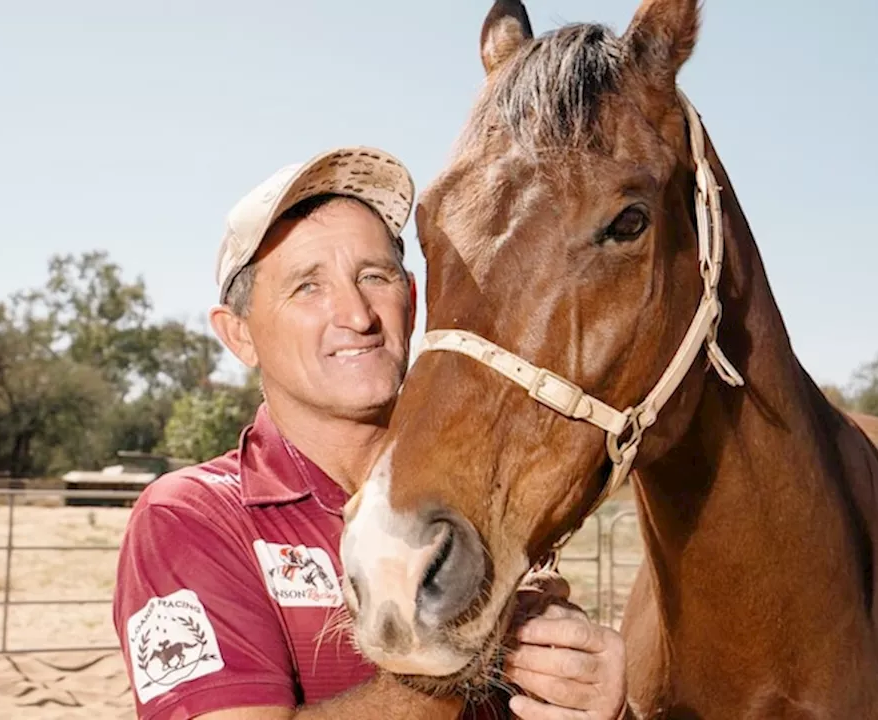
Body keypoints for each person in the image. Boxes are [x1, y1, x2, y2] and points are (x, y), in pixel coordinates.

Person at [110, 146, 629, 720]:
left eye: (374, 276)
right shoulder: (187, 519)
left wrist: (593, 700)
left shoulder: (482, 495)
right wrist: (457, 650)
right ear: (239, 335)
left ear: (411, 296)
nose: (357, 315)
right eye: (307, 286)